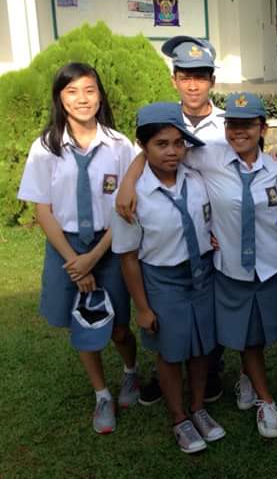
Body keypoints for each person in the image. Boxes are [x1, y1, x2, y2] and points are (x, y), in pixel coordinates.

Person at [121, 35, 255, 406]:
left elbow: (249, 157)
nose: (193, 85)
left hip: (213, 231)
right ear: (174, 80)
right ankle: (168, 375)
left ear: (212, 80)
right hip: (166, 226)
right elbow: (146, 151)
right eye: (185, 77)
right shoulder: (165, 117)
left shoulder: (227, 124)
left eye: (201, 77)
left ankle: (210, 371)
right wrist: (129, 181)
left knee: (211, 310)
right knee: (171, 319)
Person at [17, 62, 139, 434]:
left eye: (89, 89)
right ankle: (102, 395)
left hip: (110, 244)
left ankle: (131, 372)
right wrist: (75, 262)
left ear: (100, 96)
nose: (82, 99)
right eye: (71, 91)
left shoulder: (119, 146)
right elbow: (42, 210)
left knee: (119, 327)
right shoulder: (46, 148)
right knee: (82, 324)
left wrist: (94, 258)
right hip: (66, 248)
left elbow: (127, 207)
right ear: (60, 98)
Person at [112, 102, 225, 454]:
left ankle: (198, 407)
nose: (172, 152)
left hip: (202, 273)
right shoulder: (132, 198)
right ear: (143, 146)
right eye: (161, 144)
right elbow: (128, 258)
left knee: (202, 348)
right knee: (171, 353)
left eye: (178, 143)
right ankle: (179, 417)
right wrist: (143, 309)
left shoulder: (195, 176)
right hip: (164, 280)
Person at [185, 92, 277, 436]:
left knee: (260, 331)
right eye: (232, 124)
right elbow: (162, 152)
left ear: (263, 128)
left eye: (248, 124)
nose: (238, 131)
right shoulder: (210, 156)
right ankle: (265, 399)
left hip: (271, 264)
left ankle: (247, 375)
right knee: (247, 335)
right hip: (230, 265)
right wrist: (129, 183)